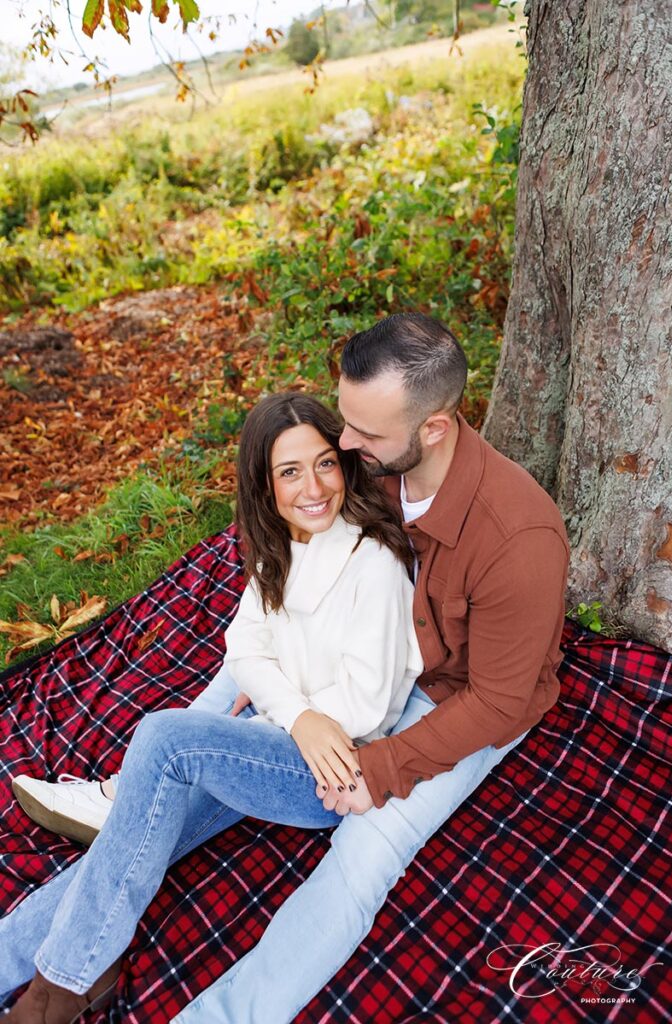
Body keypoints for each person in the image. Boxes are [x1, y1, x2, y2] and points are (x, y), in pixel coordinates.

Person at [166, 312, 570, 1024]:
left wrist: (382, 768)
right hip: (357, 642)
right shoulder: (371, 458)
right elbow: (294, 561)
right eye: (343, 422)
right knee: (215, 702)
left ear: (435, 428)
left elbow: (500, 703)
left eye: (364, 434)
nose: (343, 446)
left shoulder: (519, 538)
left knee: (362, 855)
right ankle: (128, 800)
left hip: (450, 697)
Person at [1, 392, 423, 1022]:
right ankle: (21, 958)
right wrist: (295, 711)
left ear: (345, 464)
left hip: (334, 771)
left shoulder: (375, 561)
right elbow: (244, 650)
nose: (312, 487)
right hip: (285, 734)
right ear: (264, 483)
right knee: (131, 840)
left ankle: (57, 988)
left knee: (166, 742)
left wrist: (297, 717)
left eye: (325, 464)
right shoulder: (281, 544)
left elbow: (364, 706)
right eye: (289, 472)